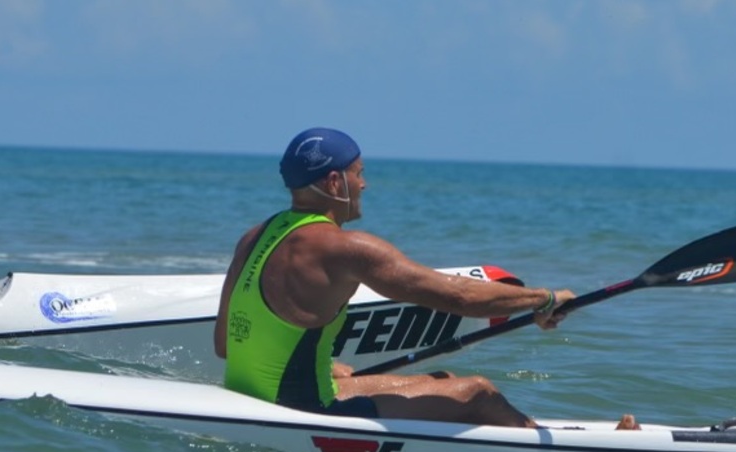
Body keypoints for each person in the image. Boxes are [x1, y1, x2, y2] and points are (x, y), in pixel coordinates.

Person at [214, 127, 640, 430]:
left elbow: (223, 344)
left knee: (439, 384)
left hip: (257, 395)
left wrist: (319, 364)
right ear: (334, 181)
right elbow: (457, 297)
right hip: (305, 409)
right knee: (477, 392)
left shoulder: (254, 237)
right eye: (359, 173)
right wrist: (543, 299)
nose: (364, 183)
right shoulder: (346, 248)